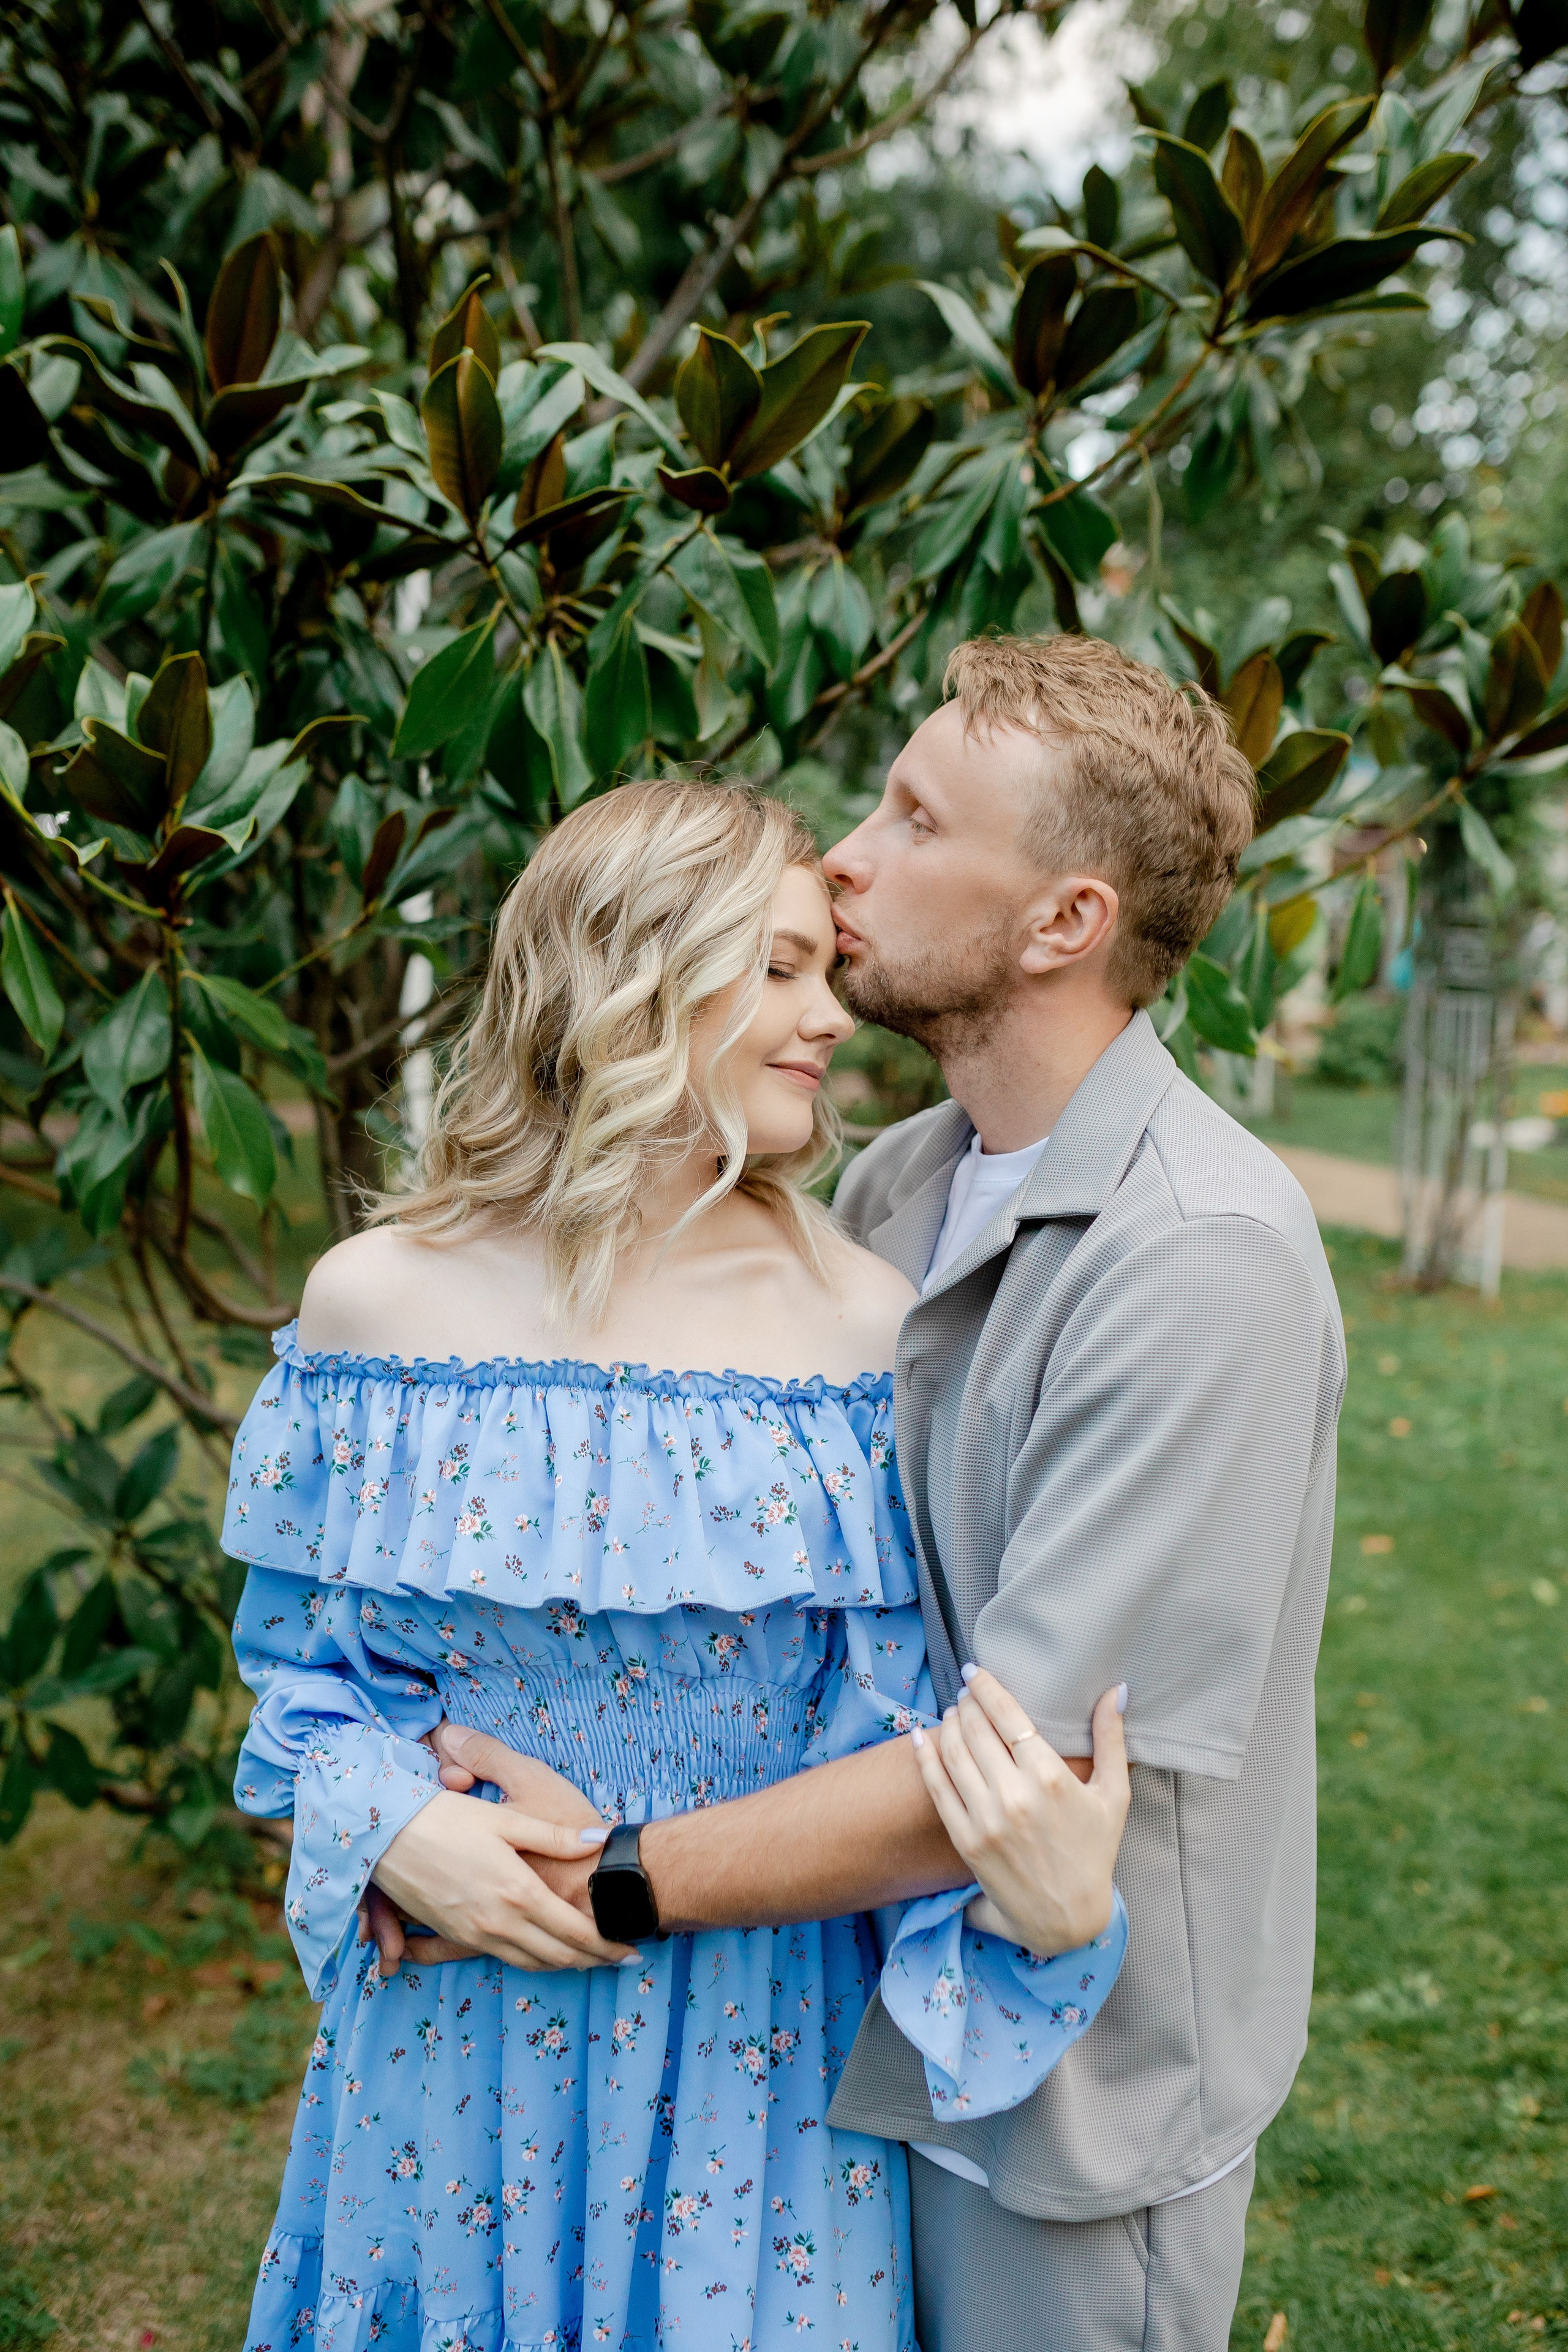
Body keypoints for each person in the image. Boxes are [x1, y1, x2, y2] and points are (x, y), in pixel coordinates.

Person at [394, 633, 1348, 2352]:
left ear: (1063, 923)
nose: (846, 855)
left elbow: (1008, 1772)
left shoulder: (1200, 1260)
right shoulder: (897, 1185)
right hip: (831, 2037)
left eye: (914, 818)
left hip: (1060, 2123)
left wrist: (590, 1876)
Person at [225, 780, 1131, 2352]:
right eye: (774, 968)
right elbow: (302, 1685)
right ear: (623, 975)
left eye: (822, 970)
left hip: (757, 2055)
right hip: (458, 2021)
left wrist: (1037, 1908)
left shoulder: (866, 1323)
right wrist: (393, 1832)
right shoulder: (376, 1305)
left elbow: (901, 1725)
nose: (829, 1018)